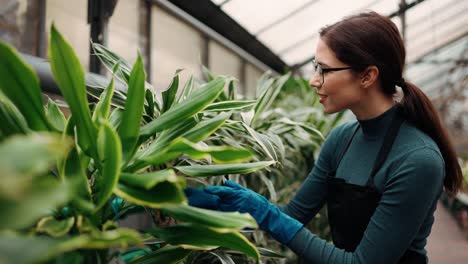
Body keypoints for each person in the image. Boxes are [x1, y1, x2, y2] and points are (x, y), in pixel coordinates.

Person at [185, 11, 462, 263]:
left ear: (367, 76)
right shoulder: (342, 139)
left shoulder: (418, 160)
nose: (313, 80)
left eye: (325, 70)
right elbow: (293, 216)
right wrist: (188, 202)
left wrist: (266, 213)